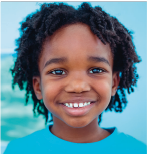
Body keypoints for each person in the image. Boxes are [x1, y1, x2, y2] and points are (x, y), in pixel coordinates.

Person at [4, 2, 146, 154]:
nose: (78, 87)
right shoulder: (18, 150)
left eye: (96, 70)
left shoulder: (137, 150)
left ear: (114, 83)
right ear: (38, 86)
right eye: (58, 72)